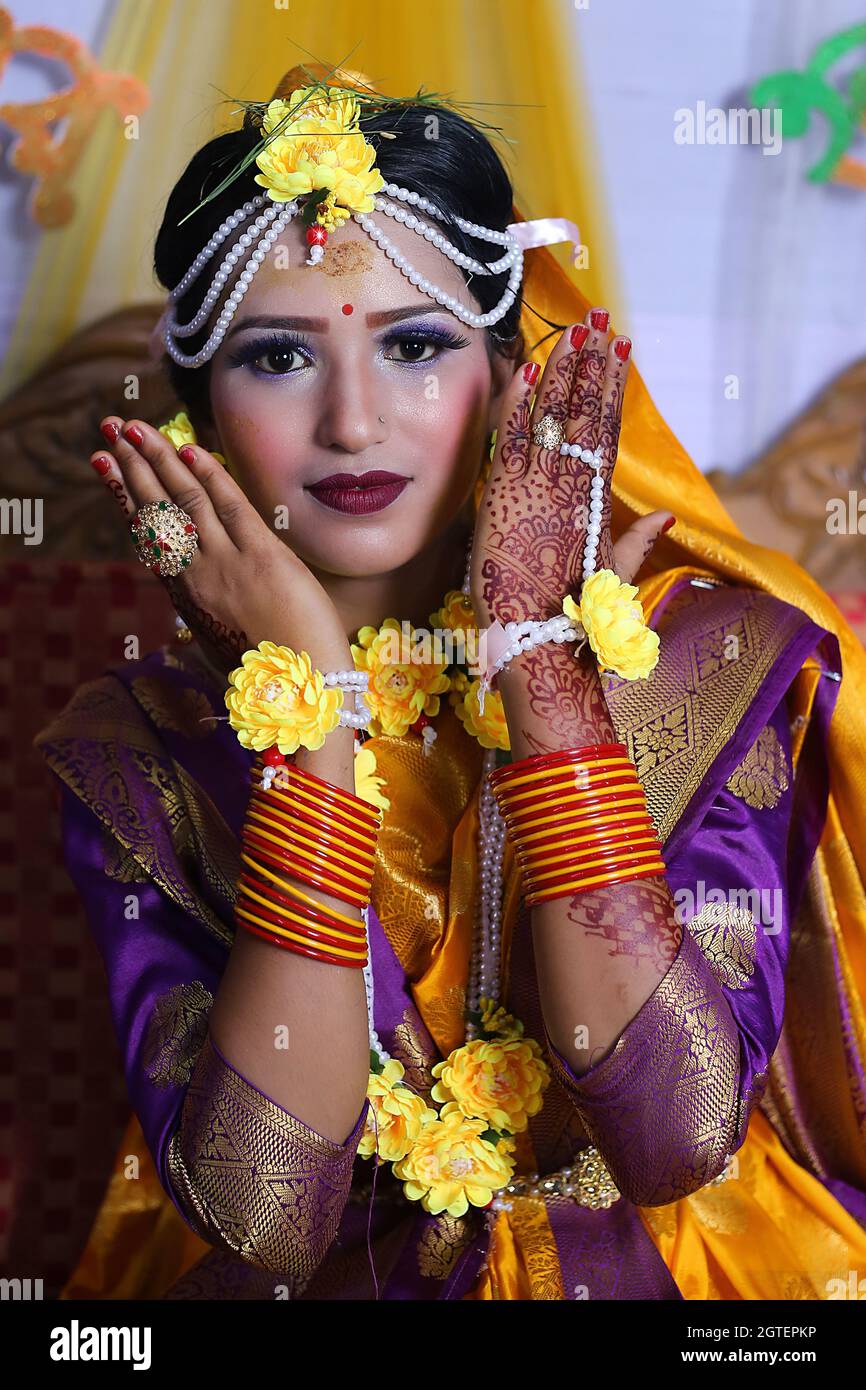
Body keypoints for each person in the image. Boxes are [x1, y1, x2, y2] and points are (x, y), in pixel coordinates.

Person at [34, 63, 866, 1301]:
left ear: (507, 370)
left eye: (415, 344)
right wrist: (308, 718)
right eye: (278, 357)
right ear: (199, 412)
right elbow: (261, 1207)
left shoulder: (699, 659)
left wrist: (542, 673)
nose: (355, 423)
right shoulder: (140, 740)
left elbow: (672, 1134)